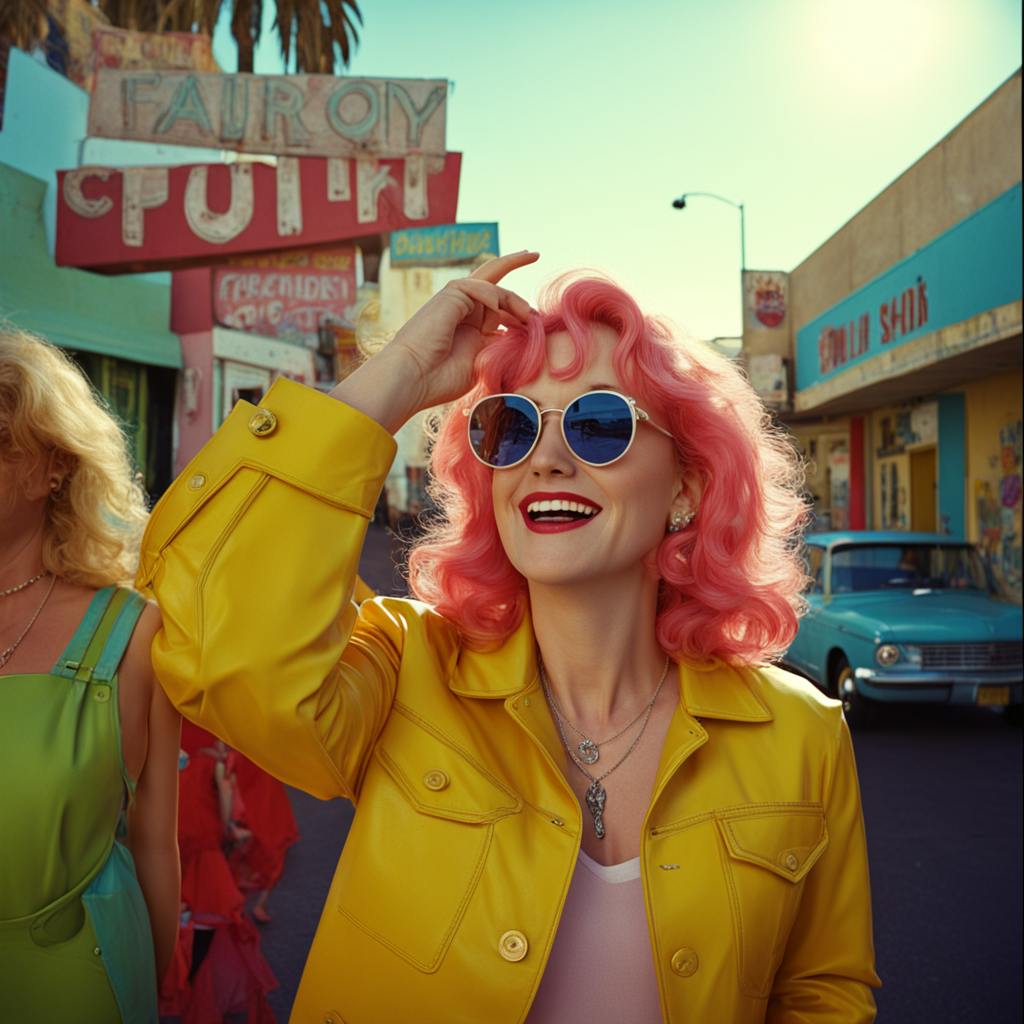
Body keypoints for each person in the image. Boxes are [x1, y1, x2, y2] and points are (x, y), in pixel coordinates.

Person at [140, 253, 881, 1023]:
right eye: (511, 428)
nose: (546, 460)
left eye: (599, 425)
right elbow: (214, 645)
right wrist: (393, 380)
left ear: (687, 488)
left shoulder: (802, 733)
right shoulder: (405, 670)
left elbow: (821, 991)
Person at [0, 327, 180, 1023]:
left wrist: (151, 996)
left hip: (74, 987)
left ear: (56, 466)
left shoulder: (131, 632)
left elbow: (155, 845)